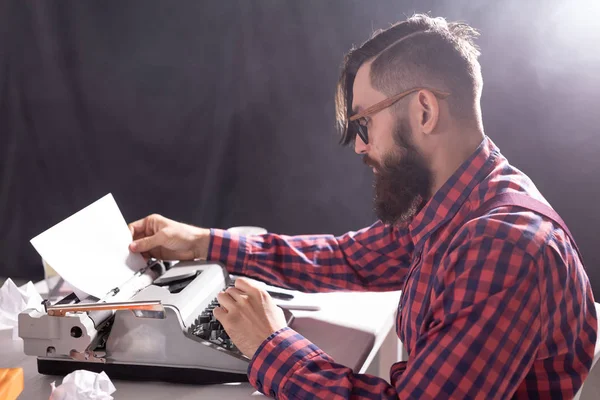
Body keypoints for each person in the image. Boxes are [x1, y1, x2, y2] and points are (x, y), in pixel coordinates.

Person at [128, 14, 597, 399]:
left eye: (365, 123)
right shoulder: (460, 200)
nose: (359, 146)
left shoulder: (504, 246)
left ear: (424, 112)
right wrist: (203, 242)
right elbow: (348, 258)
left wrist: (270, 344)